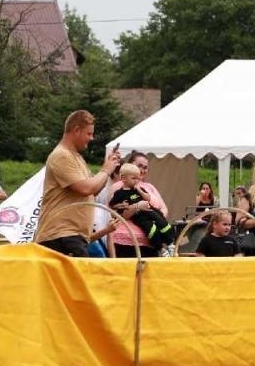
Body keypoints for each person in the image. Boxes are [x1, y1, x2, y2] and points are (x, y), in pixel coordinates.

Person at [36, 110, 122, 257]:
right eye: (89, 134)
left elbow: (94, 190)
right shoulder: (61, 155)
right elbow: (86, 188)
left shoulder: (76, 157)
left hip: (71, 237)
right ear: (76, 130)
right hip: (61, 236)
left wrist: (107, 166)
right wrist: (106, 171)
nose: (92, 138)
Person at [108, 163, 177, 253]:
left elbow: (148, 198)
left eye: (138, 178)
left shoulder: (139, 188)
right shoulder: (119, 192)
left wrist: (139, 190)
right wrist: (121, 205)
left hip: (150, 211)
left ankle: (170, 243)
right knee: (151, 230)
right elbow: (112, 206)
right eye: (133, 178)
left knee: (162, 222)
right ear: (123, 178)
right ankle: (161, 249)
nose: (137, 181)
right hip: (139, 218)